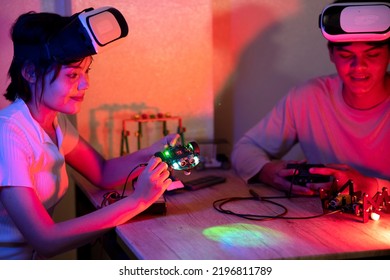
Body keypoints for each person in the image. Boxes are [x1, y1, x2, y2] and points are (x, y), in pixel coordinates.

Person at [0, 9, 178, 259]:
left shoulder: (54, 121)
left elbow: (103, 172)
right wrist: (138, 201)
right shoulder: (8, 133)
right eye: (73, 74)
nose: (85, 84)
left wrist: (156, 151)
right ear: (30, 73)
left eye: (86, 72)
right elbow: (45, 239)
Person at [231, 1, 390, 198]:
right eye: (346, 54)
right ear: (331, 53)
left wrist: (369, 186)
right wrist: (268, 171)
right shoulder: (308, 98)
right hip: (319, 222)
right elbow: (244, 150)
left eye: (372, 55)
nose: (359, 66)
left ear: (388, 54)